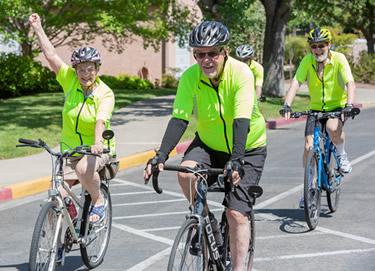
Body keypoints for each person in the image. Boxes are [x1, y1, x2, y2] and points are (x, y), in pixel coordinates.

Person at [144, 21, 267, 271]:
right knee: (185, 173)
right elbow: (180, 118)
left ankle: (240, 268)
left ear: (225, 52)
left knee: (236, 214)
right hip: (209, 144)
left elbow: (241, 119)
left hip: (248, 146)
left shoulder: (241, 73)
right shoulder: (191, 77)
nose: (206, 59)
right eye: (200, 54)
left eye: (213, 53)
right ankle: (205, 221)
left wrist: (237, 158)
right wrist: (161, 155)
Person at [29, 13, 115, 224]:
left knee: (84, 169)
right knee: (55, 198)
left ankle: (98, 200)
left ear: (97, 69)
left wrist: (97, 143)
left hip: (96, 150)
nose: (85, 74)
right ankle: (59, 245)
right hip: (70, 150)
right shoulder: (70, 81)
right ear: (74, 70)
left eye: (90, 69)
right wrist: (38, 28)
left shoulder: (105, 93)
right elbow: (50, 55)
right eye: (81, 70)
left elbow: (100, 121)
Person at [280, 27, 355, 207]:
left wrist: (349, 105)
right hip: (315, 109)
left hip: (336, 107)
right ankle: (308, 187)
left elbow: (350, 83)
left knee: (331, 128)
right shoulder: (307, 61)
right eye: (314, 46)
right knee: (308, 146)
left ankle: (341, 154)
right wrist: (287, 105)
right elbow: (296, 82)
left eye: (321, 45)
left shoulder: (339, 59)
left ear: (329, 45)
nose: (318, 50)